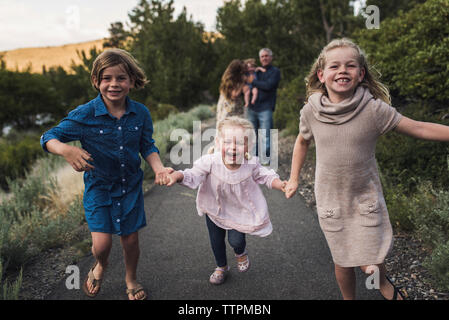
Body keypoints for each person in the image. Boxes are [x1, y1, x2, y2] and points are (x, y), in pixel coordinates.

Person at [284, 38, 449, 300]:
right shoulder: (311, 112)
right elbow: (302, 141)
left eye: (350, 66)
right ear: (321, 74)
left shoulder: (374, 110)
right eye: (335, 66)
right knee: (343, 260)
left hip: (365, 197)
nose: (342, 70)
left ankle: (382, 282)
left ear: (361, 74)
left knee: (373, 254)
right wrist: (293, 178)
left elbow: (418, 127)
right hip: (331, 200)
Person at [40, 48, 172, 300]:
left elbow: (147, 145)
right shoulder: (85, 114)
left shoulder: (140, 113)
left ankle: (131, 278)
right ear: (96, 81)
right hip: (99, 188)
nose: (114, 84)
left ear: (132, 81)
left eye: (121, 78)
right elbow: (48, 137)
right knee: (102, 245)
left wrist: (159, 168)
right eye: (106, 78)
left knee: (130, 241)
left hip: (130, 187)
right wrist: (66, 150)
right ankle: (100, 265)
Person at [166, 117, 286, 285]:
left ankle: (240, 251)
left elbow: (265, 176)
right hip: (214, 208)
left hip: (239, 210)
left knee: (235, 240)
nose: (232, 147)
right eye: (227, 142)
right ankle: (221, 267)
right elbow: (193, 174)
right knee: (216, 241)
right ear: (218, 142)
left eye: (239, 143)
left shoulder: (250, 163)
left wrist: (280, 184)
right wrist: (177, 176)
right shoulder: (210, 162)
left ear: (248, 146)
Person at [246, 48, 281, 165]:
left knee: (266, 134)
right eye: (262, 56)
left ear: (271, 57)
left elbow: (268, 85)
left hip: (266, 107)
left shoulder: (275, 71)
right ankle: (254, 160)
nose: (264, 58)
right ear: (260, 59)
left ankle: (266, 159)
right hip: (252, 107)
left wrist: (253, 82)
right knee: (252, 135)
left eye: (266, 56)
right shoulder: (256, 72)